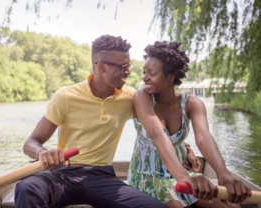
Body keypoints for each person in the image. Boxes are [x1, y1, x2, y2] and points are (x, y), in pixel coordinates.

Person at [15, 35, 199, 208]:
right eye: (122, 66)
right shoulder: (65, 96)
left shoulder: (130, 97)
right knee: (26, 187)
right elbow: (31, 142)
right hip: (64, 175)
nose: (128, 71)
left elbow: (157, 130)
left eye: (128, 65)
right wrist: (41, 152)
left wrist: (187, 149)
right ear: (101, 67)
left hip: (102, 177)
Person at [127, 41, 252, 208]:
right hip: (146, 175)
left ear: (170, 76)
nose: (145, 77)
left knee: (229, 206)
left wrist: (224, 174)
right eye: (144, 72)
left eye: (152, 73)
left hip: (180, 172)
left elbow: (203, 137)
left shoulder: (192, 103)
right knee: (176, 205)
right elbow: (158, 134)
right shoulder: (142, 96)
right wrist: (183, 178)